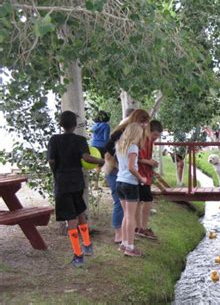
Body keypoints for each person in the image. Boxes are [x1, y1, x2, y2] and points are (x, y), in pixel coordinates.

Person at [47, 111, 104, 267]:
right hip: (77, 182)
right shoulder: (80, 140)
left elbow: (51, 161)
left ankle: (78, 255)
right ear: (75, 125)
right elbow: (86, 158)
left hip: (62, 182)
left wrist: (56, 173)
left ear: (61, 124)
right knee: (80, 212)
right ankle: (87, 245)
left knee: (70, 218)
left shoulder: (54, 140)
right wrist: (100, 160)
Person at [104, 109, 150, 244]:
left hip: (120, 175)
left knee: (127, 213)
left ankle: (125, 240)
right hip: (118, 173)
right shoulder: (123, 135)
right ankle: (123, 239)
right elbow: (107, 154)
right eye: (143, 123)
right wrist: (140, 177)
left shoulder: (125, 140)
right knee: (124, 210)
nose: (145, 126)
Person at [116, 123, 147, 257]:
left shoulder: (119, 145)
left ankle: (123, 244)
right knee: (130, 216)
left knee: (125, 215)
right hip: (130, 183)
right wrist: (141, 178)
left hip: (119, 181)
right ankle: (130, 247)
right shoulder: (133, 147)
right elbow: (131, 167)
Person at [136, 120, 163, 240]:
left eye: (158, 136)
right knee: (145, 200)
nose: (156, 138)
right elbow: (135, 158)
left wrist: (151, 166)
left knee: (142, 200)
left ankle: (141, 227)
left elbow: (145, 158)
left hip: (145, 174)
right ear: (149, 131)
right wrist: (149, 162)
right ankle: (141, 228)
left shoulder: (150, 141)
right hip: (139, 175)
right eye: (155, 135)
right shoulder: (141, 140)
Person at [90, 110, 110, 189]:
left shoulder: (94, 126)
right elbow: (106, 138)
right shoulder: (106, 126)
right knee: (106, 163)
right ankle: (106, 182)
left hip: (93, 147)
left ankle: (95, 184)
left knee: (97, 166)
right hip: (102, 147)